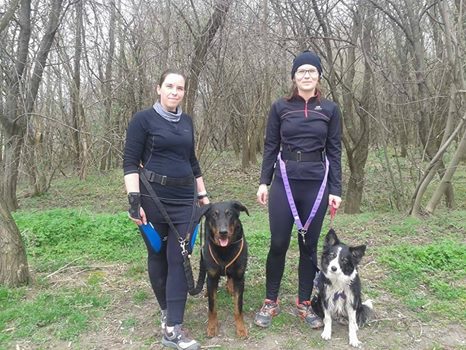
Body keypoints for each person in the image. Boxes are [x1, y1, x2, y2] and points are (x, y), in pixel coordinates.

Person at [254, 50, 342, 329]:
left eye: (312, 72)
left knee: (308, 247)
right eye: (301, 72)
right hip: (284, 183)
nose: (306, 76)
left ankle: (304, 303)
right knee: (278, 243)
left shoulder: (330, 109)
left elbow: (335, 151)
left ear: (319, 76)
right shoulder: (280, 108)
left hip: (317, 185)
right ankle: (270, 301)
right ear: (294, 77)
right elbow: (270, 147)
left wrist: (335, 189)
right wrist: (264, 181)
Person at [123, 69, 209, 350]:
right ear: (158, 88)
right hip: (153, 199)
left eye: (180, 88)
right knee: (158, 255)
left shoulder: (187, 122)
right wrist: (134, 201)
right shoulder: (142, 120)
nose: (174, 92)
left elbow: (192, 161)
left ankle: (173, 328)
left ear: (185, 92)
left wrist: (203, 196)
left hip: (185, 199)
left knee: (179, 258)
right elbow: (130, 162)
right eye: (169, 86)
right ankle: (165, 309)